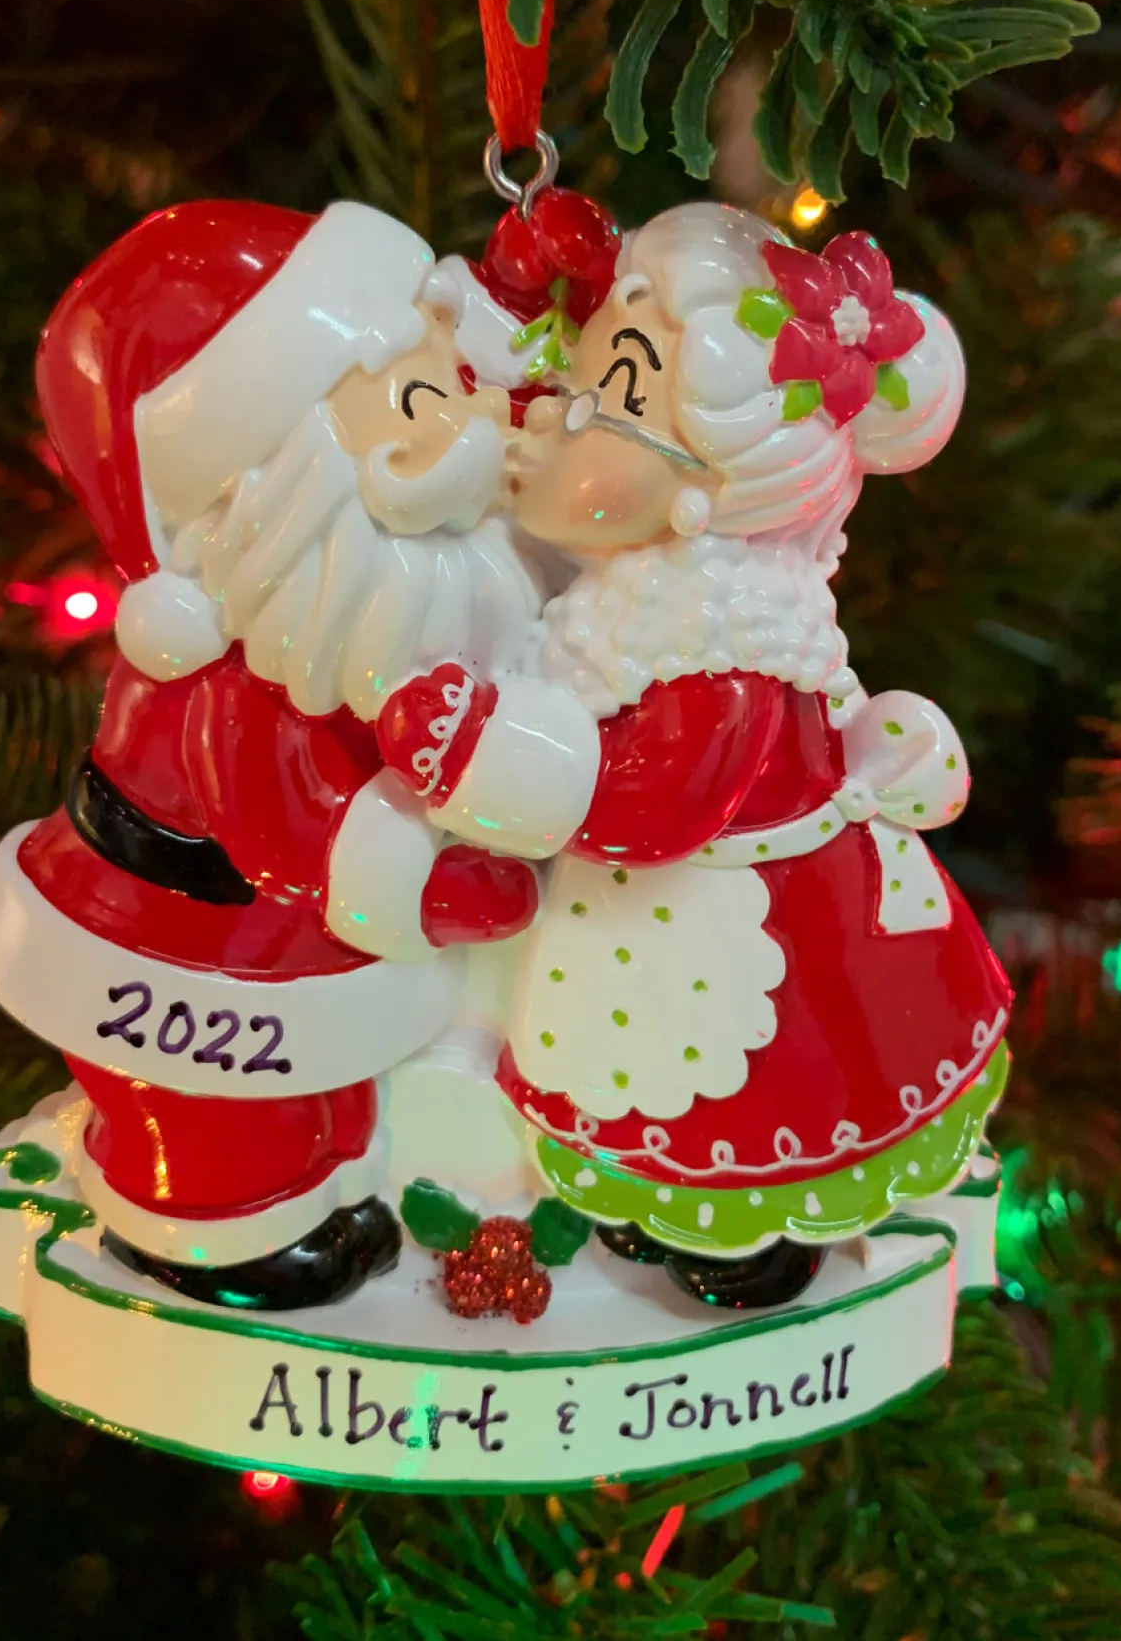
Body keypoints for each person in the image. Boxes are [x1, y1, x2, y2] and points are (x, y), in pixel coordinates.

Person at [377, 200, 1012, 1309]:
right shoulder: (636, 608)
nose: (555, 414)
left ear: (697, 499)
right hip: (662, 920)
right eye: (576, 378)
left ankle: (738, 1236)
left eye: (610, 399)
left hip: (718, 929)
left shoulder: (715, 652)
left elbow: (643, 807)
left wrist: (471, 749)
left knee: (730, 1088)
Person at [0, 199, 544, 1311]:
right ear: (273, 473)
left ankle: (314, 1190)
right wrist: (442, 888)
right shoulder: (251, 671)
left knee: (329, 1094)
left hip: (281, 949)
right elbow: (295, 827)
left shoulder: (364, 607)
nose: (469, 427)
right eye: (423, 400)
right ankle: (213, 1239)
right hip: (191, 956)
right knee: (219, 1119)